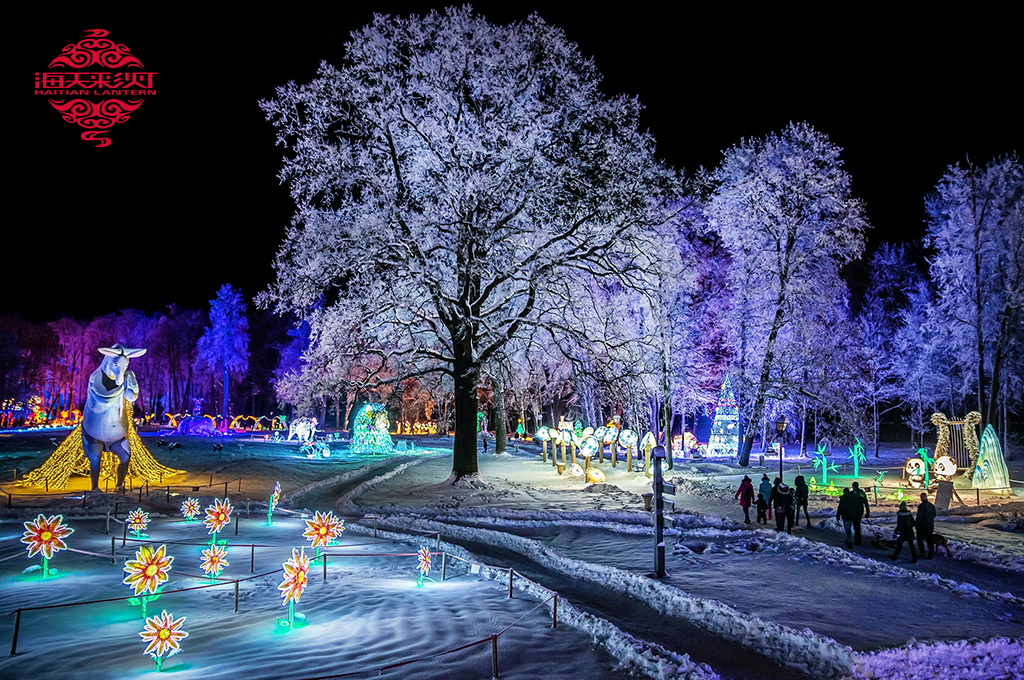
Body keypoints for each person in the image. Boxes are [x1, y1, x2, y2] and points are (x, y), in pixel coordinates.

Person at [916, 492, 936, 559]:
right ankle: (931, 554)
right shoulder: (931, 505)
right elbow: (934, 515)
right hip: (930, 525)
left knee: (919, 539)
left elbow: (919, 516)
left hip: (922, 525)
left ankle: (922, 552)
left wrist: (917, 525)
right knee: (929, 539)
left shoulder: (921, 506)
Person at [851, 481, 870, 546]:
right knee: (857, 525)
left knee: (855, 525)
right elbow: (866, 503)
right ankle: (858, 539)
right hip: (860, 511)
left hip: (854, 511)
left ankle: (857, 539)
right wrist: (867, 512)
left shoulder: (852, 494)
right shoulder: (862, 493)